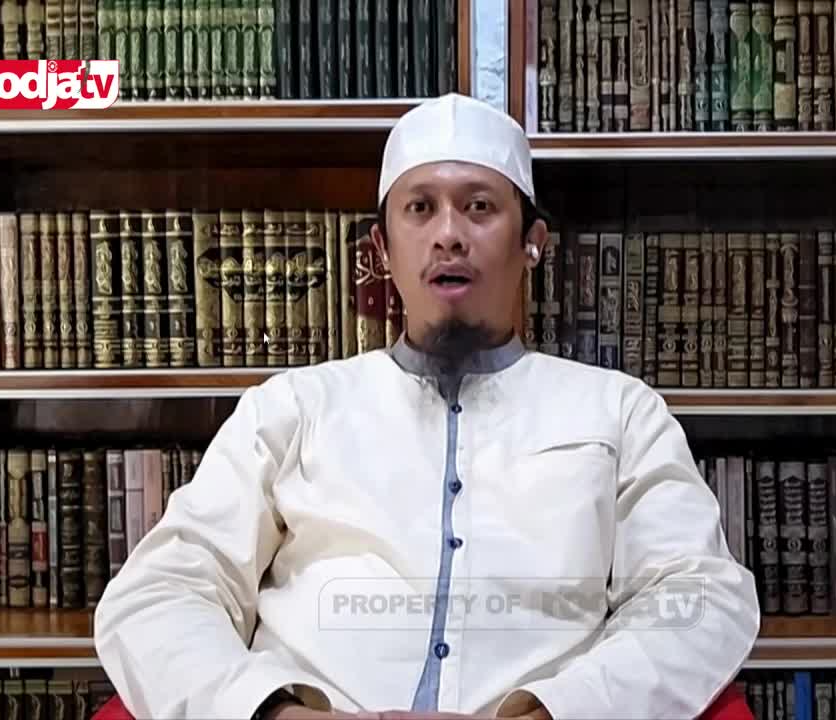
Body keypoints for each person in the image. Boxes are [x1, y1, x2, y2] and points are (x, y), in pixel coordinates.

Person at [92, 92, 761, 720]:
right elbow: (163, 591)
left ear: (534, 243)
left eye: (479, 207)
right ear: (381, 250)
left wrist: (563, 709)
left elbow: (699, 596)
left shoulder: (619, 411)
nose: (449, 235)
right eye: (420, 209)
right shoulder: (293, 407)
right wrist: (269, 710)